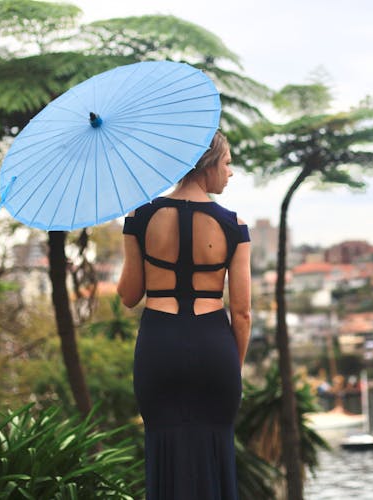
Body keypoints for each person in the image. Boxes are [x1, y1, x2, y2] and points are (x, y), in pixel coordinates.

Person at [117, 130, 251, 499]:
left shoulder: (140, 217)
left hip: (160, 343)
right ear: (207, 166)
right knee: (215, 447)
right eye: (226, 163)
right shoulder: (234, 226)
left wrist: (132, 233)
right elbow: (241, 313)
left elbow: (129, 296)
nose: (230, 172)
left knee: (163, 445)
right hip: (214, 346)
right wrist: (232, 366)